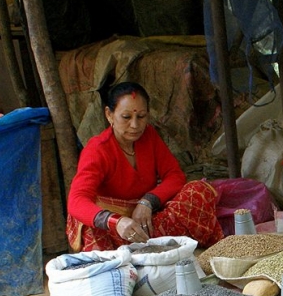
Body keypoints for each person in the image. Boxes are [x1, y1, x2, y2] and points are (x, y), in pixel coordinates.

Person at [66, 81, 223, 252]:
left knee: (198, 190)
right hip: (116, 231)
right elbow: (77, 200)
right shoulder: (97, 149)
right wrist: (115, 221)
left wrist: (148, 201)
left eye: (141, 117)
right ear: (109, 115)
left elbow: (175, 175)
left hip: (149, 221)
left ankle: (160, 247)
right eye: (126, 117)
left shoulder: (149, 136)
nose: (135, 125)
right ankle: (145, 252)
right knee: (88, 225)